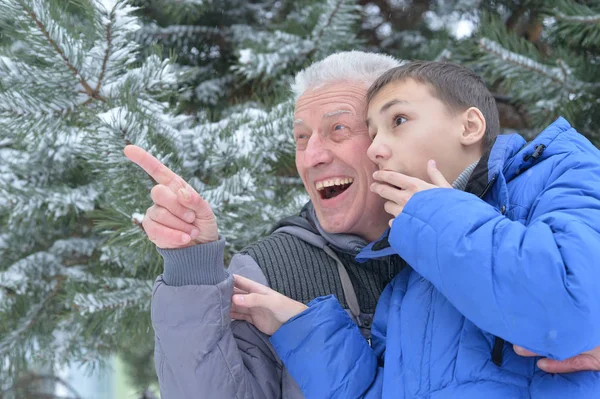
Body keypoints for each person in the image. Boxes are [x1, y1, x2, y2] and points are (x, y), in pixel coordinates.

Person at [124, 53, 600, 398]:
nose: (312, 156)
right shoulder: (275, 268)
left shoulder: (545, 183)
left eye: (340, 130)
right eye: (301, 138)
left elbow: (569, 298)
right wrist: (193, 269)